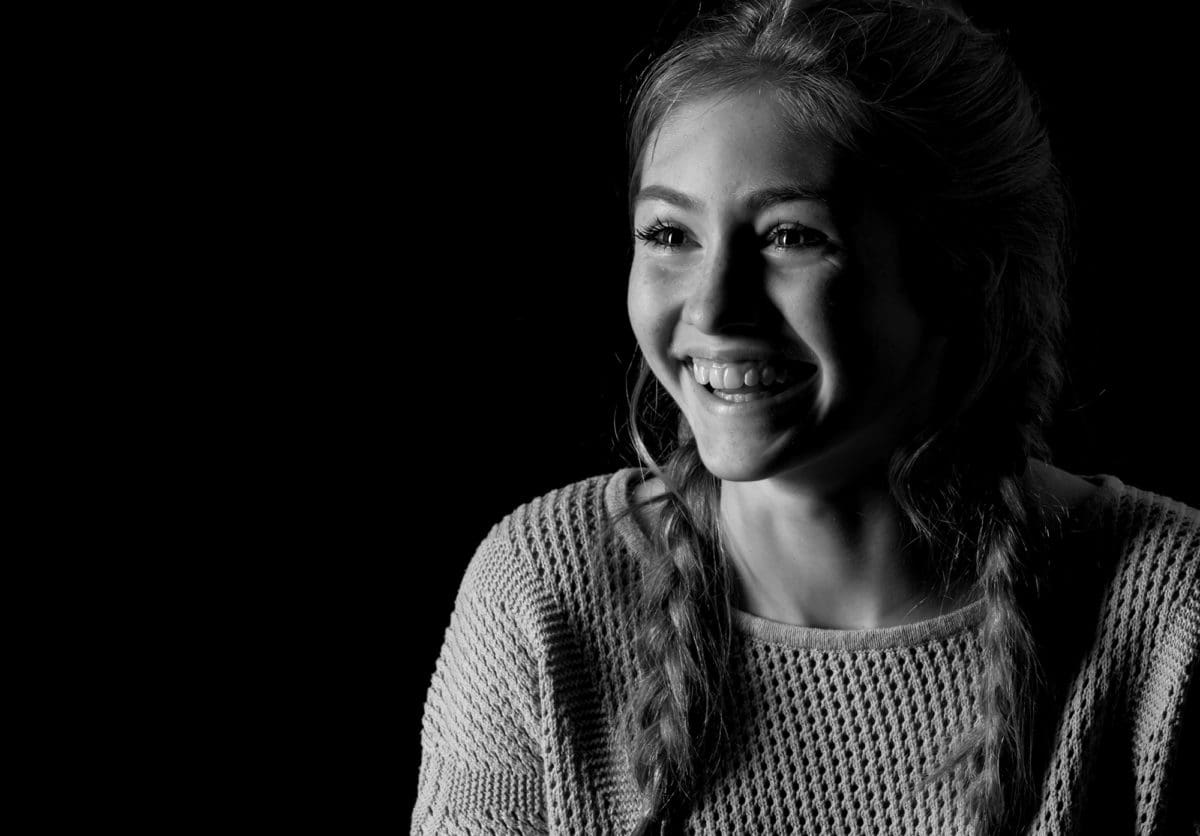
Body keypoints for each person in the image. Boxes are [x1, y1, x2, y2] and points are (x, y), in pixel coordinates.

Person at [411, 0, 1198, 833]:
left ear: (964, 274)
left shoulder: (1170, 612)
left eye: (790, 236)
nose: (714, 309)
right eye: (670, 233)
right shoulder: (541, 590)